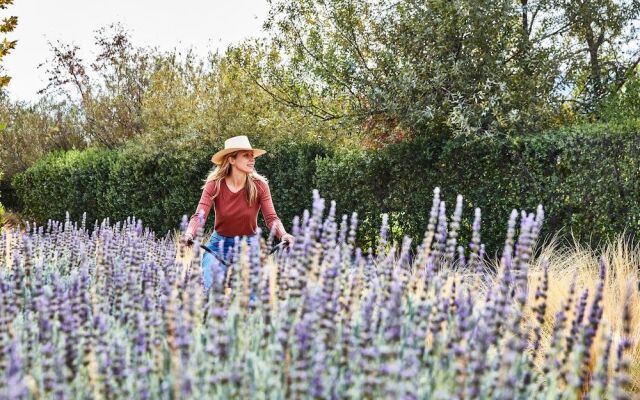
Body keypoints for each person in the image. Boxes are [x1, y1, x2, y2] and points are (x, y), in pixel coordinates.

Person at [183, 135, 295, 291]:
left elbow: (271, 218)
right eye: (246, 156)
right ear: (231, 160)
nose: (252, 159)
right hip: (218, 245)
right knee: (212, 289)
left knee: (251, 296)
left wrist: (283, 235)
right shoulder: (214, 185)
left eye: (252, 156)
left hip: (248, 245)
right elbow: (199, 216)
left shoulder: (260, 185)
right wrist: (189, 233)